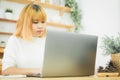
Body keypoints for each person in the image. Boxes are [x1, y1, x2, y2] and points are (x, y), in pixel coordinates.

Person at [2, 1, 47, 75]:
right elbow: (6, 70)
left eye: (43, 22)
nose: (40, 26)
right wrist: (36, 71)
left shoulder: (46, 40)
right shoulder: (14, 40)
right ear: (25, 22)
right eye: (35, 22)